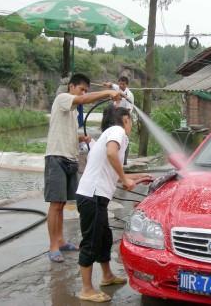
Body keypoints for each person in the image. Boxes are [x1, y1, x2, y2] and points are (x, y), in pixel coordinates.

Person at [75, 107, 152, 302]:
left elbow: (114, 174)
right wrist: (125, 180)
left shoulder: (110, 135)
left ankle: (107, 276)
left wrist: (138, 177)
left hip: (96, 196)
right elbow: (111, 154)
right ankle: (86, 289)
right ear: (125, 119)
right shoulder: (117, 131)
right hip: (92, 195)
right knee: (91, 241)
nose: (132, 125)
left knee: (104, 237)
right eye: (131, 120)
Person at [44, 73, 122, 263]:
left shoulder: (72, 111)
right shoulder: (63, 99)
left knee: (62, 204)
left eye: (87, 90)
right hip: (56, 157)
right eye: (82, 89)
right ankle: (53, 246)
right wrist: (107, 93)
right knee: (55, 205)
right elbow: (82, 100)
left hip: (70, 160)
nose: (84, 93)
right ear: (71, 87)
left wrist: (81, 138)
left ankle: (61, 241)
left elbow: (66, 131)